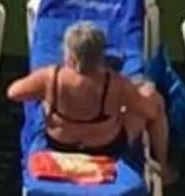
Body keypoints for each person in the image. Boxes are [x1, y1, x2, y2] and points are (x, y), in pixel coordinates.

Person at [9, 17, 170, 166]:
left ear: (70, 56)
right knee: (155, 100)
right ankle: (163, 166)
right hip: (105, 146)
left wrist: (46, 96)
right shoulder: (115, 83)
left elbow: (13, 93)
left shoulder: (51, 76)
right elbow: (149, 110)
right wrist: (130, 101)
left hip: (60, 143)